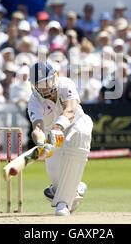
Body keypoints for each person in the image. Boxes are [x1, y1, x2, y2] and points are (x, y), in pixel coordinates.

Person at [27, 62, 92, 216]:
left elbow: (70, 110)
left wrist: (57, 128)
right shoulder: (34, 101)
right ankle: (74, 189)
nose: (43, 88)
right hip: (52, 135)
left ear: (54, 77)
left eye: (45, 82)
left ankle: (62, 203)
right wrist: (42, 142)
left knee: (76, 139)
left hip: (77, 123)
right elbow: (37, 128)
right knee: (57, 181)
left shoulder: (65, 83)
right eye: (38, 84)